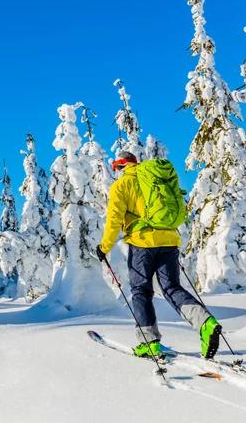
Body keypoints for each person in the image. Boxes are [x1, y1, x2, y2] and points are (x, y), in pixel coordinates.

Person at [95, 151, 222, 359]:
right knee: (172, 287)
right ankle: (206, 323)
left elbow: (114, 220)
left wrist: (104, 247)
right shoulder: (154, 178)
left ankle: (149, 343)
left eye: (115, 168)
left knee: (140, 291)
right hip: (169, 241)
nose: (115, 172)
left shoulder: (121, 185)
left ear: (121, 166)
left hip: (141, 244)